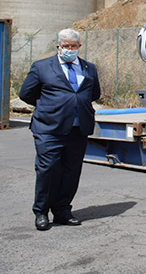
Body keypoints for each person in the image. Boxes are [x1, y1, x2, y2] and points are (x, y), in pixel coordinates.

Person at [19, 28, 101, 231]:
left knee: (71, 171)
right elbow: (26, 93)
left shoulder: (89, 68)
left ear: (79, 47)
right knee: (48, 169)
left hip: (77, 129)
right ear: (58, 46)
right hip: (49, 128)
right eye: (66, 46)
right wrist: (51, 106)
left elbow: (94, 93)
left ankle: (62, 210)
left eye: (73, 46)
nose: (69, 50)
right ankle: (41, 211)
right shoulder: (42, 67)